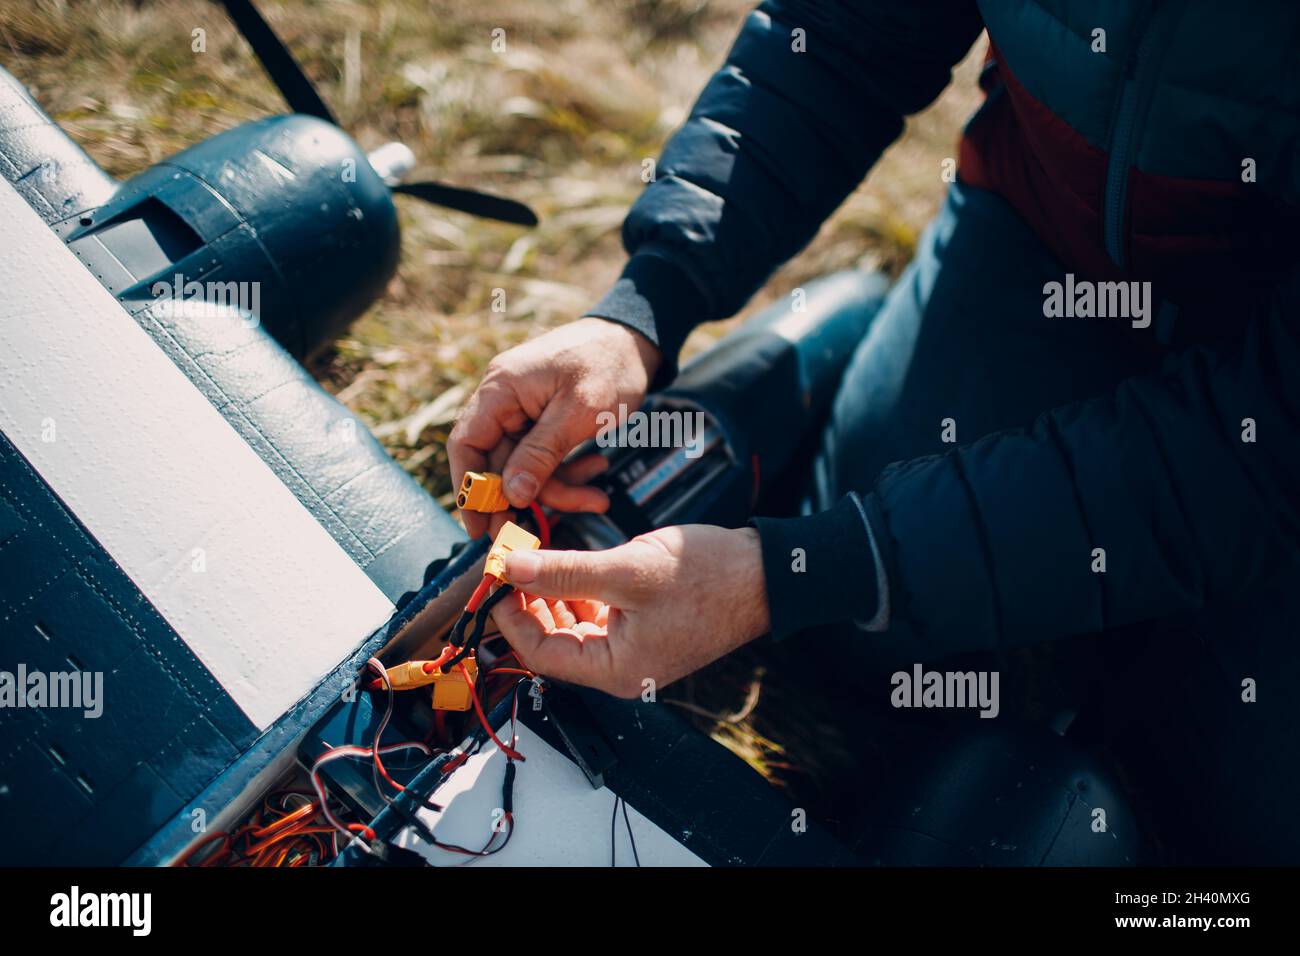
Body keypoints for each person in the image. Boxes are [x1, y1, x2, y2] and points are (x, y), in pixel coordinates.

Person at [448, 2, 1300, 859]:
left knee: (1237, 815)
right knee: (863, 642)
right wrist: (642, 308)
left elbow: (1252, 460)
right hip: (1046, 235)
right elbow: (840, 39)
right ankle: (826, 345)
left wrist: (790, 572)